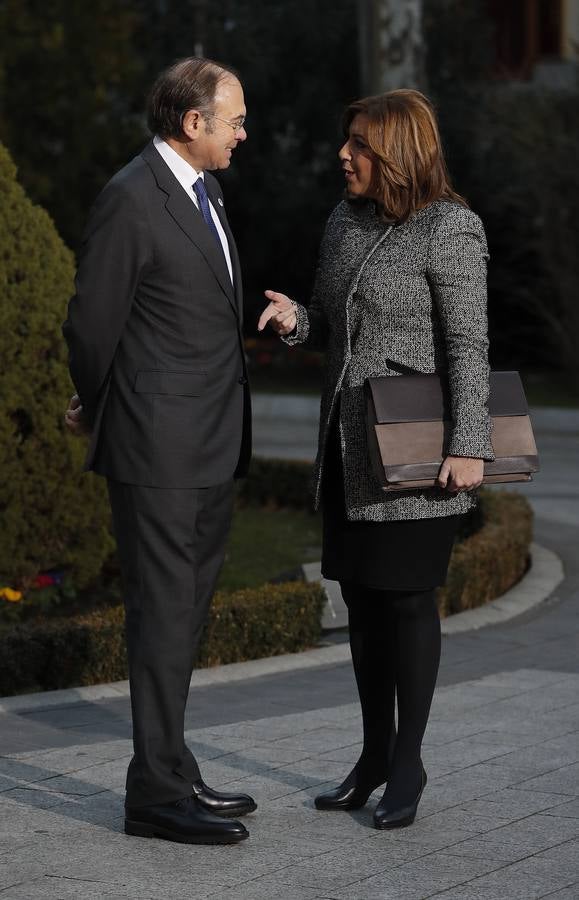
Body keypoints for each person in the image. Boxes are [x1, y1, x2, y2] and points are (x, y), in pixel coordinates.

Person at [259, 89, 494, 829]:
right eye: (346, 142)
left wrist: (468, 444)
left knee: (407, 601)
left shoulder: (450, 229)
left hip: (419, 452)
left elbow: (467, 345)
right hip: (348, 444)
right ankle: (369, 757)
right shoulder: (342, 221)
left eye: (358, 144)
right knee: (359, 602)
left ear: (396, 151)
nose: (343, 155)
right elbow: (336, 320)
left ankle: (407, 765)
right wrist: (300, 319)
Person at [63, 57, 255, 845]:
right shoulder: (130, 198)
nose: (244, 132)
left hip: (209, 446)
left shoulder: (203, 192)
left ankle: (172, 768)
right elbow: (90, 324)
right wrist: (100, 400)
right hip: (159, 453)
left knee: (185, 616)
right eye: (235, 118)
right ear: (192, 122)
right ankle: (154, 797)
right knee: (163, 618)